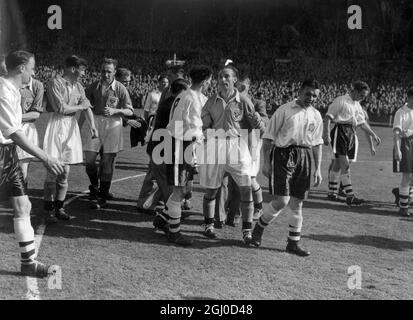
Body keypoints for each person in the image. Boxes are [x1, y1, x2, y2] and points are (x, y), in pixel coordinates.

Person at [0, 50, 64, 277]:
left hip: (7, 153)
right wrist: (45, 157)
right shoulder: (4, 92)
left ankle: (28, 263)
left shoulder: (14, 91)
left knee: (23, 206)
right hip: (2, 152)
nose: (33, 72)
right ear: (20, 69)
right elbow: (15, 133)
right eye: (32, 68)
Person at [249, 79, 323, 256]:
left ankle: (293, 243)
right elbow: (268, 138)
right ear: (300, 91)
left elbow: (317, 143)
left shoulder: (316, 115)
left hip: (304, 157)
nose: (311, 98)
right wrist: (266, 163)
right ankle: (258, 229)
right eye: (308, 93)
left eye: (314, 95)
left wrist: (318, 168)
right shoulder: (284, 110)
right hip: (284, 155)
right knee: (282, 200)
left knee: (297, 203)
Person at [200, 65, 265, 242]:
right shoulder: (211, 101)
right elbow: (203, 124)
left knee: (245, 189)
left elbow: (258, 126)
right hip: (215, 146)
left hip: (238, 147)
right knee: (212, 190)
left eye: (227, 76)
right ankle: (208, 225)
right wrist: (205, 130)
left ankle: (247, 231)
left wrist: (257, 139)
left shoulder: (243, 101)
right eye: (220, 76)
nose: (222, 80)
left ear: (234, 80)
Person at [153, 65, 212, 246]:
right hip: (181, 144)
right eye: (209, 80)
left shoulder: (188, 95)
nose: (210, 83)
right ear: (205, 81)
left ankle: (163, 218)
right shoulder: (190, 98)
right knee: (179, 190)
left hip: (183, 144)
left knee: (184, 188)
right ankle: (174, 232)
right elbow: (182, 124)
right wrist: (187, 146)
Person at [43, 55, 98, 222]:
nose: (83, 73)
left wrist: (93, 126)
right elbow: (61, 108)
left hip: (71, 126)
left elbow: (87, 106)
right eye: (82, 70)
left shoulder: (79, 86)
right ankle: (48, 211)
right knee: (53, 171)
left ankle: (59, 208)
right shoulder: (55, 83)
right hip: (57, 125)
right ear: (73, 69)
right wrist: (81, 106)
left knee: (65, 172)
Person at [84, 58, 133, 209]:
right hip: (96, 123)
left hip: (113, 123)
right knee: (89, 161)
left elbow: (130, 110)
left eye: (109, 71)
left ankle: (102, 197)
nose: (106, 74)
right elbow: (84, 105)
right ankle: (95, 186)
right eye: (103, 71)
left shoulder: (120, 88)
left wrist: (116, 110)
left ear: (114, 72)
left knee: (107, 161)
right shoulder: (93, 87)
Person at [323, 81, 381, 206]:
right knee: (345, 165)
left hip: (351, 133)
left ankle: (332, 193)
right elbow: (328, 117)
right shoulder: (341, 100)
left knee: (338, 164)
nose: (363, 97)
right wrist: (326, 134)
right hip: (341, 131)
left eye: (365, 95)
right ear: (355, 90)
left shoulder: (357, 105)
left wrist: (373, 134)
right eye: (362, 94)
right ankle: (350, 196)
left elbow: (362, 123)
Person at [137, 79, 189, 214]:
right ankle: (169, 208)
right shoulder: (175, 104)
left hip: (157, 143)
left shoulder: (167, 102)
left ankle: (146, 203)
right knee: (163, 178)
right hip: (164, 144)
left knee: (154, 175)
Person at [17, 76, 44, 188]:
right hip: (6, 128)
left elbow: (35, 114)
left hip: (26, 129)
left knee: (23, 168)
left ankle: (21, 196)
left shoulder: (37, 86)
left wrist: (13, 117)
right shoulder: (6, 83)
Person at [392, 87, 413, 216]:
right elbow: (397, 132)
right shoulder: (401, 112)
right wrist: (397, 149)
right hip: (406, 145)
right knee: (407, 176)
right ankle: (403, 207)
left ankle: (401, 194)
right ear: (410, 98)